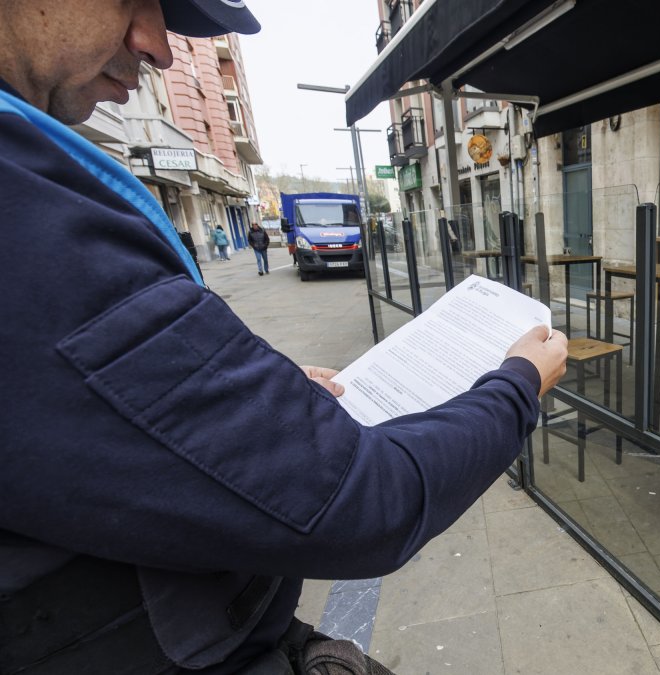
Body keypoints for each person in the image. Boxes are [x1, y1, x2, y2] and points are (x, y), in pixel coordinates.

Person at [0, 1, 568, 674]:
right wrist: (516, 385)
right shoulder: (30, 221)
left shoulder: (34, 186)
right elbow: (367, 500)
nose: (157, 46)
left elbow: (103, 419)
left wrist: (252, 402)